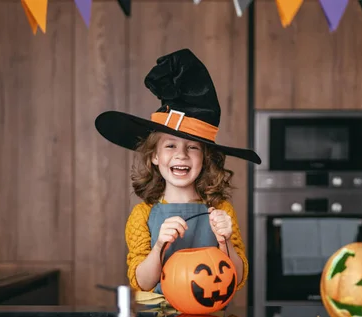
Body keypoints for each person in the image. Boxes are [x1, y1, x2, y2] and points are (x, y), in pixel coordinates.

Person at [94, 48, 262, 295]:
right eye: (170, 145)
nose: (181, 155)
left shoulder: (221, 211)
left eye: (192, 147)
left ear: (204, 158)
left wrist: (225, 241)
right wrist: (160, 244)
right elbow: (142, 282)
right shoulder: (143, 215)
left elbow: (235, 279)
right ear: (155, 156)